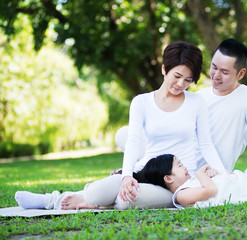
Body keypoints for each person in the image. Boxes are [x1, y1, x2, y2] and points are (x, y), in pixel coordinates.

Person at [14, 41, 227, 210]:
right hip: (145, 172)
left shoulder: (196, 103)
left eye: (188, 80)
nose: (181, 85)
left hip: (176, 182)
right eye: (177, 76)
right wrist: (126, 176)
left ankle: (82, 202)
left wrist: (224, 173)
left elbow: (206, 144)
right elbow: (134, 142)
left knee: (127, 201)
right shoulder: (141, 102)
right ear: (164, 69)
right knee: (107, 189)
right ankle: (55, 200)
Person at [115, 38, 247, 172]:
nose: (216, 75)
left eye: (224, 72)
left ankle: (144, 171)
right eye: (214, 67)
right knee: (125, 134)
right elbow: (172, 139)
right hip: (175, 163)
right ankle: (141, 169)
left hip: (207, 171)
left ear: (241, 74)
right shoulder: (199, 96)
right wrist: (132, 172)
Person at [135, 140, 247, 208]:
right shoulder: (181, 195)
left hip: (245, 180)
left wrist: (216, 174)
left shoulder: (190, 184)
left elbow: (212, 186)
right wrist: (202, 174)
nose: (185, 167)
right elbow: (210, 191)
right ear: (168, 178)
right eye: (180, 165)